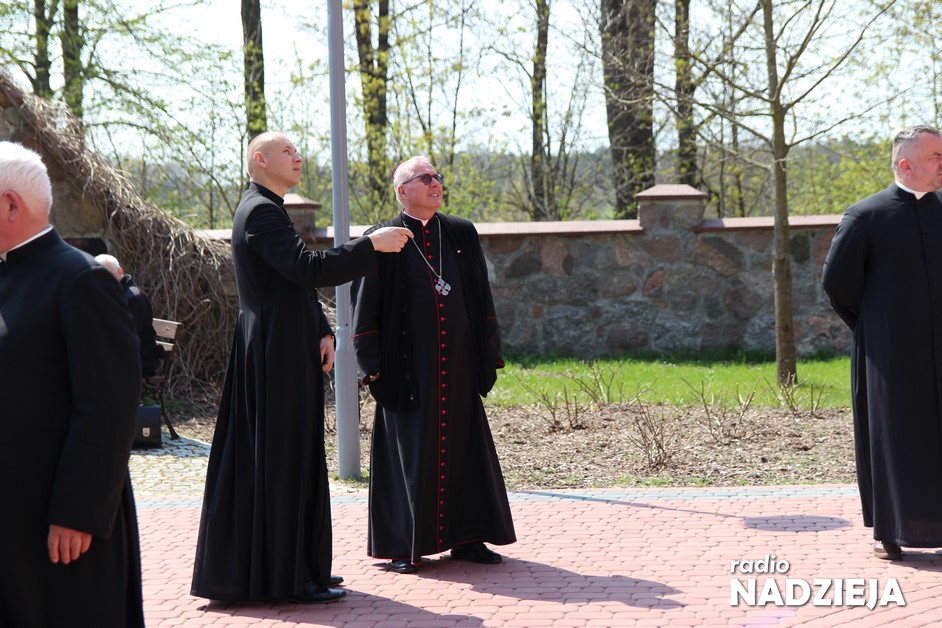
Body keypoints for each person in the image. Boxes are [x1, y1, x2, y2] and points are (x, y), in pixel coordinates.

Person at [190, 132, 413, 604]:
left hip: (285, 346)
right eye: (288, 152)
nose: (298, 157)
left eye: (297, 151)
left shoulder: (268, 208)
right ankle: (290, 579)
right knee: (284, 462)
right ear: (260, 159)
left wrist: (321, 329)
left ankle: (303, 568)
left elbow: (289, 283)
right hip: (275, 353)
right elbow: (305, 268)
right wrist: (370, 246)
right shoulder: (260, 211)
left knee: (296, 457)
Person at [0, 141, 145, 626]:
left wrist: (78, 511)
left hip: (61, 519)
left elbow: (110, 404)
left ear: (10, 204)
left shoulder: (79, 280)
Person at [350, 156, 516, 575]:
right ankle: (405, 545)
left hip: (458, 364)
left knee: (464, 449)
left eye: (436, 176)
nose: (434, 182)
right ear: (402, 191)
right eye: (423, 178)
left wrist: (487, 352)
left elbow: (480, 294)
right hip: (407, 367)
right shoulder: (383, 237)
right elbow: (364, 307)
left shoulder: (460, 232)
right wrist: (372, 367)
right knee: (409, 454)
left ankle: (468, 538)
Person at [822, 125, 942, 561]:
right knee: (894, 437)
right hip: (889, 352)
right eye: (935, 157)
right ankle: (890, 532)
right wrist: (877, 326)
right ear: (905, 165)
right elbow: (838, 285)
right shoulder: (865, 217)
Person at [95, 253, 163, 378]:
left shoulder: (133, 298)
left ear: (120, 271)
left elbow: (126, 337)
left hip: (137, 360)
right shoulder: (110, 294)